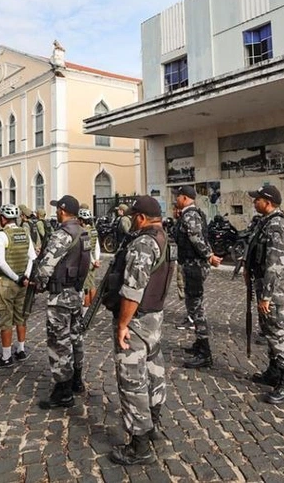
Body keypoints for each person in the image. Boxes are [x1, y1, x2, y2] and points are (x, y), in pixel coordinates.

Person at [101, 196, 174, 465]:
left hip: (137, 320)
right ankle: (153, 425)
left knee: (132, 380)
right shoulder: (164, 238)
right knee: (155, 372)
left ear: (141, 218)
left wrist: (122, 324)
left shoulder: (143, 243)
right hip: (154, 318)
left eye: (134, 216)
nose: (131, 220)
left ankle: (139, 444)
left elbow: (133, 290)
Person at [30, 195, 91, 409]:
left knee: (59, 341)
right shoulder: (84, 233)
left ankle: (63, 391)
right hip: (76, 292)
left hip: (60, 295)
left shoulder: (62, 235)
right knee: (76, 338)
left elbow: (46, 267)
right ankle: (77, 381)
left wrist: (37, 283)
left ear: (63, 211)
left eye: (58, 209)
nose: (56, 212)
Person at [245, 185, 284, 404]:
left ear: (267, 201)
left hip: (272, 289)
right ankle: (274, 371)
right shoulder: (265, 222)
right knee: (268, 329)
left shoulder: (277, 225)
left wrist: (266, 296)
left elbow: (275, 265)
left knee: (277, 332)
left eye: (257, 199)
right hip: (262, 284)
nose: (254, 202)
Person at [173, 185, 221, 369]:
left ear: (184, 198)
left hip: (194, 266)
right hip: (191, 264)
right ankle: (199, 344)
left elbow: (196, 238)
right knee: (193, 306)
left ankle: (205, 352)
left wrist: (209, 256)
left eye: (178, 196)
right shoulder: (189, 213)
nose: (176, 199)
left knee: (196, 308)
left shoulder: (190, 215)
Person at [0, 204, 36, 368]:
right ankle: (21, 350)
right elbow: (32, 257)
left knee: (5, 318)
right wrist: (26, 277)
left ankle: (6, 356)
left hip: (7, 282)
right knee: (21, 317)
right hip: (24, 282)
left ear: (2, 218)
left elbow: (1, 262)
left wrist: (16, 278)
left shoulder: (1, 235)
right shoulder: (25, 232)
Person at [78, 207, 101, 316]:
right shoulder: (94, 230)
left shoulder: (84, 232)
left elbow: (86, 249)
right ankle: (94, 307)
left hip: (86, 262)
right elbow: (96, 247)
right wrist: (96, 260)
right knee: (92, 284)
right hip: (93, 262)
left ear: (82, 220)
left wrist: (92, 261)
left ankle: (87, 310)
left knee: (86, 287)